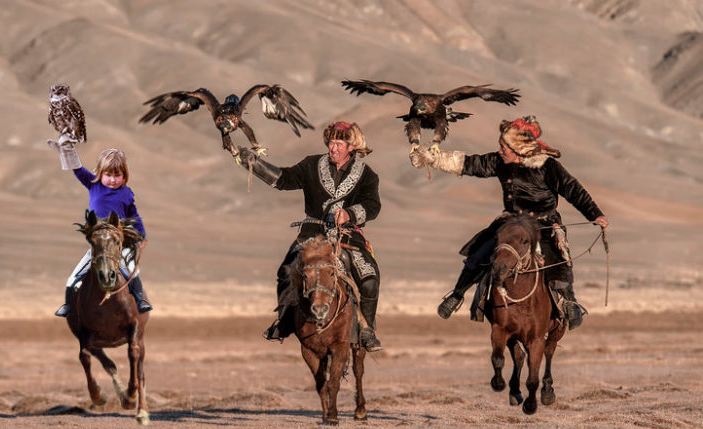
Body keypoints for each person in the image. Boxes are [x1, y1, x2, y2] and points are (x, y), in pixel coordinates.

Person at [411, 115, 608, 330]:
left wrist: (594, 214)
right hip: (512, 222)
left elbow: (573, 189)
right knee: (479, 251)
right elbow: (469, 164)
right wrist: (431, 159)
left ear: (518, 149)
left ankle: (569, 301)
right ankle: (457, 295)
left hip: (544, 223)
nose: (500, 149)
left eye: (504, 146)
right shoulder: (499, 162)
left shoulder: (547, 166)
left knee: (558, 258)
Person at [236, 121, 382, 351]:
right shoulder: (311, 165)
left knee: (370, 277)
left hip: (348, 237)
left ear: (351, 146)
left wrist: (350, 213)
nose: (333, 148)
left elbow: (373, 206)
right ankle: (283, 321)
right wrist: (255, 164)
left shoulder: (367, 175)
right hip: (311, 235)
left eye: (339, 143)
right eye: (331, 142)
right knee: (285, 271)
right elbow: (283, 179)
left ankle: (367, 330)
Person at [53, 147, 151, 317]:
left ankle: (140, 300)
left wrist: (141, 235)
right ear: (100, 173)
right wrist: (69, 150)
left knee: (132, 270)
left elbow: (134, 215)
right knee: (75, 275)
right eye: (108, 175)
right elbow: (77, 168)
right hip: (98, 244)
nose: (112, 180)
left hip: (118, 243)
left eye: (117, 175)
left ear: (124, 176)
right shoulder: (93, 185)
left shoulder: (126, 193)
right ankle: (68, 304)